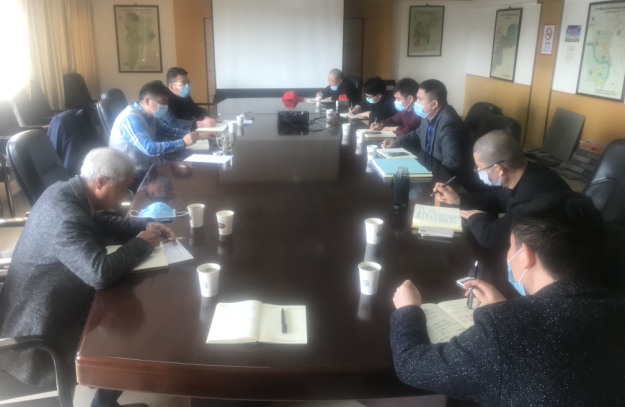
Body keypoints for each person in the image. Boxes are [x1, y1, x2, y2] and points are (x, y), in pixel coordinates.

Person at [390, 191, 625, 406]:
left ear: (526, 256)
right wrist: (508, 308)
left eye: (511, 246)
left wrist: (408, 310)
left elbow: (413, 366)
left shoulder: (505, 332)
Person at [0, 148, 176, 407]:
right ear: (101, 182)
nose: (125, 196)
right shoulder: (65, 216)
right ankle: (102, 404)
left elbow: (98, 222)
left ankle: (105, 402)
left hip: (59, 306)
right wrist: (141, 244)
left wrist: (143, 225)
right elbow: (99, 273)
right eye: (123, 189)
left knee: (129, 316)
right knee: (131, 334)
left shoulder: (68, 192)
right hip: (38, 338)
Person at [433, 130, 571, 250]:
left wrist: (475, 217)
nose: (478, 171)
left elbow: (490, 238)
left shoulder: (532, 199)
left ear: (499, 169)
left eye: (479, 168)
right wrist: (458, 199)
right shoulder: (530, 172)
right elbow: (499, 198)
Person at [109, 80, 202, 185]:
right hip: (130, 175)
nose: (166, 107)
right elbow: (149, 148)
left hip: (145, 166)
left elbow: (169, 132)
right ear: (147, 101)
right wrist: (183, 142)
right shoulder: (131, 118)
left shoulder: (149, 116)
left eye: (166, 103)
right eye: (162, 102)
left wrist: (197, 135)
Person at [381, 79, 469, 174]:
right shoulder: (428, 115)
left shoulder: (448, 123)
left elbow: (451, 164)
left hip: (441, 174)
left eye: (419, 99)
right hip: (426, 165)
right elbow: (417, 134)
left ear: (434, 104)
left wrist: (433, 180)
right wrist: (397, 141)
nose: (416, 102)